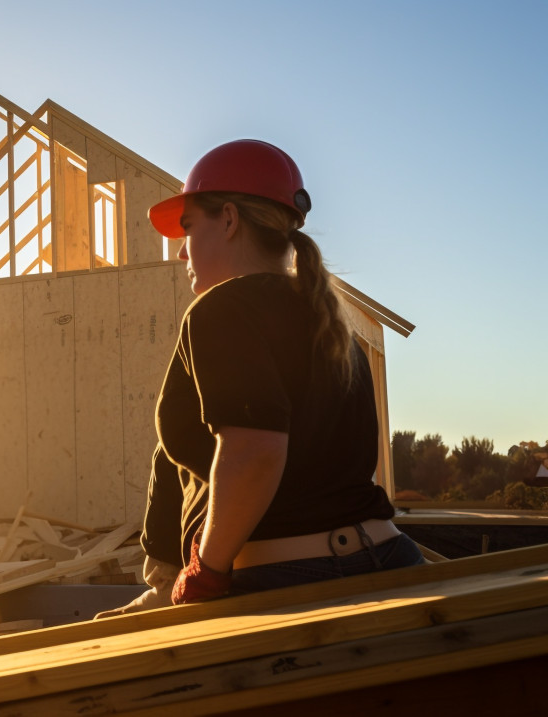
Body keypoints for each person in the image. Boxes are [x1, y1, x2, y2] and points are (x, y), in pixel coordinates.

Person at [102, 139, 423, 614]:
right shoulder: (334, 328)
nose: (181, 254)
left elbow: (254, 452)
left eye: (188, 228)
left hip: (288, 580)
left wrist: (206, 571)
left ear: (229, 220)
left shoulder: (221, 309)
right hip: (392, 558)